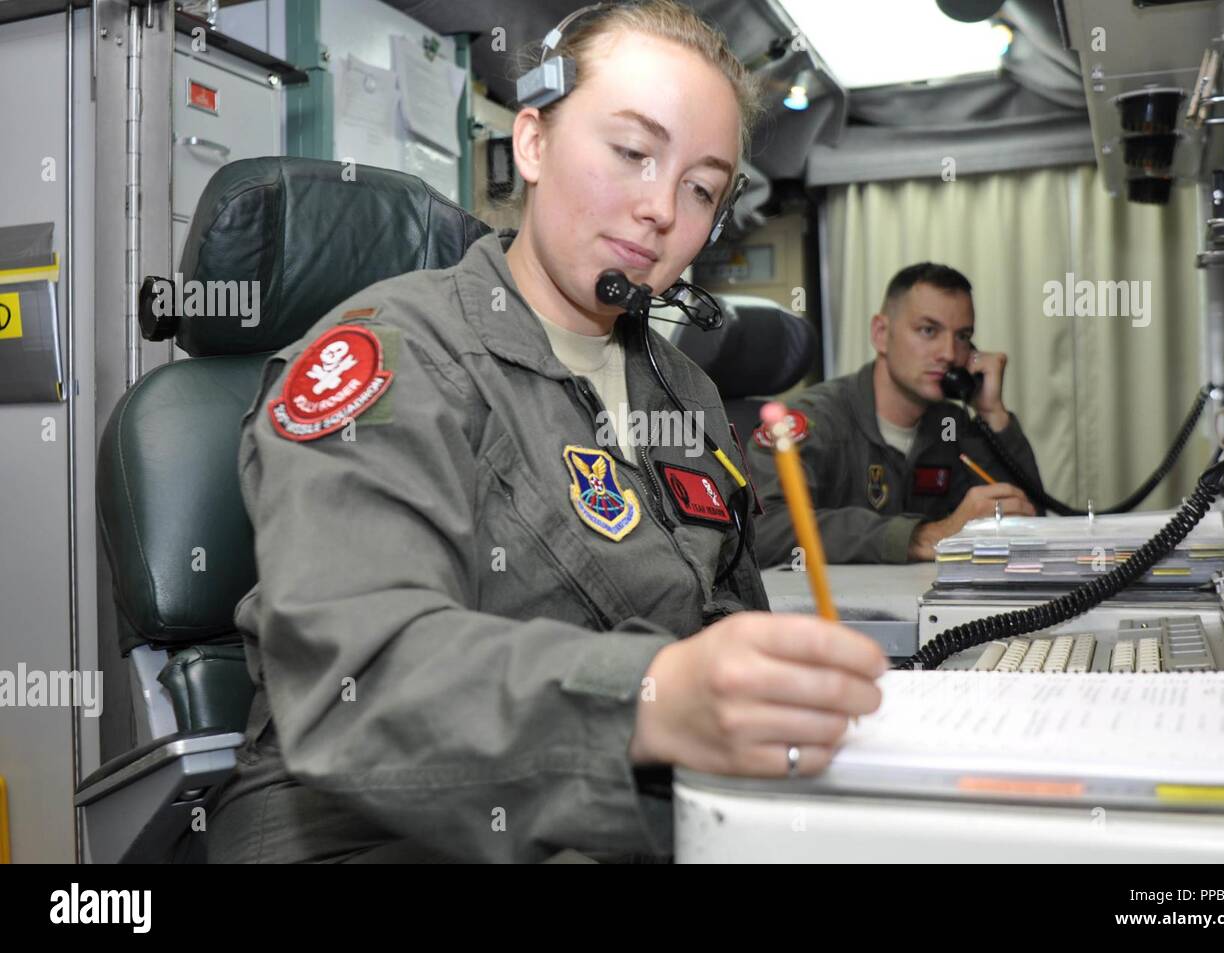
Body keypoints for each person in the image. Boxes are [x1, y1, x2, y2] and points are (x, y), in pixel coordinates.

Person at [208, 0, 887, 864]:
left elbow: (718, 611)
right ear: (532, 143)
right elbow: (363, 682)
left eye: (701, 188)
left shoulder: (684, 392)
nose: (659, 210)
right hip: (365, 830)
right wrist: (646, 698)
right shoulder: (388, 359)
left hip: (634, 807)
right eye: (632, 152)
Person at [749, 262, 1045, 568]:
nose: (948, 353)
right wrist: (918, 537)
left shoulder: (950, 426)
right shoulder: (814, 421)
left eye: (962, 337)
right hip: (831, 612)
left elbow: (1027, 520)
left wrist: (992, 413)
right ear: (881, 333)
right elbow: (762, 529)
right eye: (928, 330)